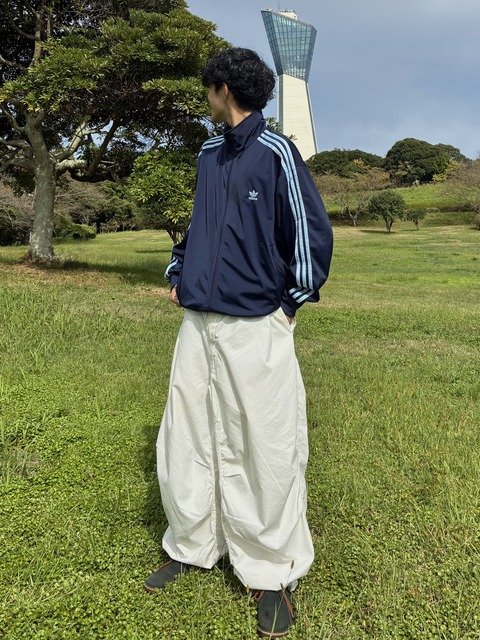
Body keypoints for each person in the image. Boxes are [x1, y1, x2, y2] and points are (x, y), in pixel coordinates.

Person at [144, 47, 333, 638]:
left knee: (265, 445)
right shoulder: (208, 154)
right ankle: (192, 543)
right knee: (189, 434)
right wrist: (180, 272)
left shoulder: (277, 152)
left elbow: (311, 233)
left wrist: (290, 302)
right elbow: (199, 225)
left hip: (256, 324)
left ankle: (271, 570)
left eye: (208, 89)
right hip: (198, 323)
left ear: (223, 89)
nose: (206, 97)